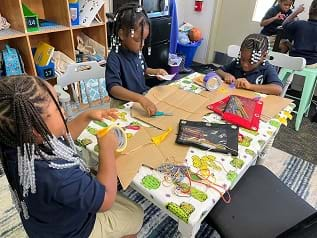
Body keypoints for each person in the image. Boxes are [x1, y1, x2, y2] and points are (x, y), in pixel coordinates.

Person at [0, 75, 144, 238]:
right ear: (37, 131)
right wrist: (107, 149)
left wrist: (86, 116)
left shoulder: (17, 148)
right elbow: (106, 200)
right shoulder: (58, 175)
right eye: (57, 107)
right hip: (77, 232)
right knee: (135, 214)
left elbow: (60, 136)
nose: (62, 110)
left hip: (46, 226)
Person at [106, 3, 168, 116]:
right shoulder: (114, 57)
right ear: (122, 34)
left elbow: (143, 70)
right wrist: (140, 98)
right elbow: (113, 88)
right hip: (122, 106)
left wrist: (154, 72)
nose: (142, 44)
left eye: (144, 40)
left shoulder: (136, 52)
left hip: (139, 101)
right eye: (138, 40)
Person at [216, 33, 283, 95]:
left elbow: (278, 89)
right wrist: (226, 75)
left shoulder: (266, 68)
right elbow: (218, 71)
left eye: (251, 61)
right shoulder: (237, 63)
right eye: (242, 59)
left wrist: (250, 86)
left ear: (264, 56)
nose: (245, 64)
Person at [283, 1, 317, 68]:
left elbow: (284, 25)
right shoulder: (299, 24)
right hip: (313, 63)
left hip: (294, 61)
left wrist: (296, 12)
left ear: (310, 10)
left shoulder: (299, 24)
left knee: (284, 43)